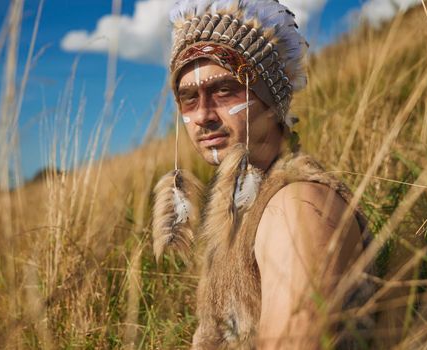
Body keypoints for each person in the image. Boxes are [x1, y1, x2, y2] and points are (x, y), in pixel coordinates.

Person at [152, 1, 374, 348]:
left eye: (224, 90)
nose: (203, 116)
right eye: (189, 99)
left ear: (272, 102)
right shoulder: (244, 211)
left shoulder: (297, 208)